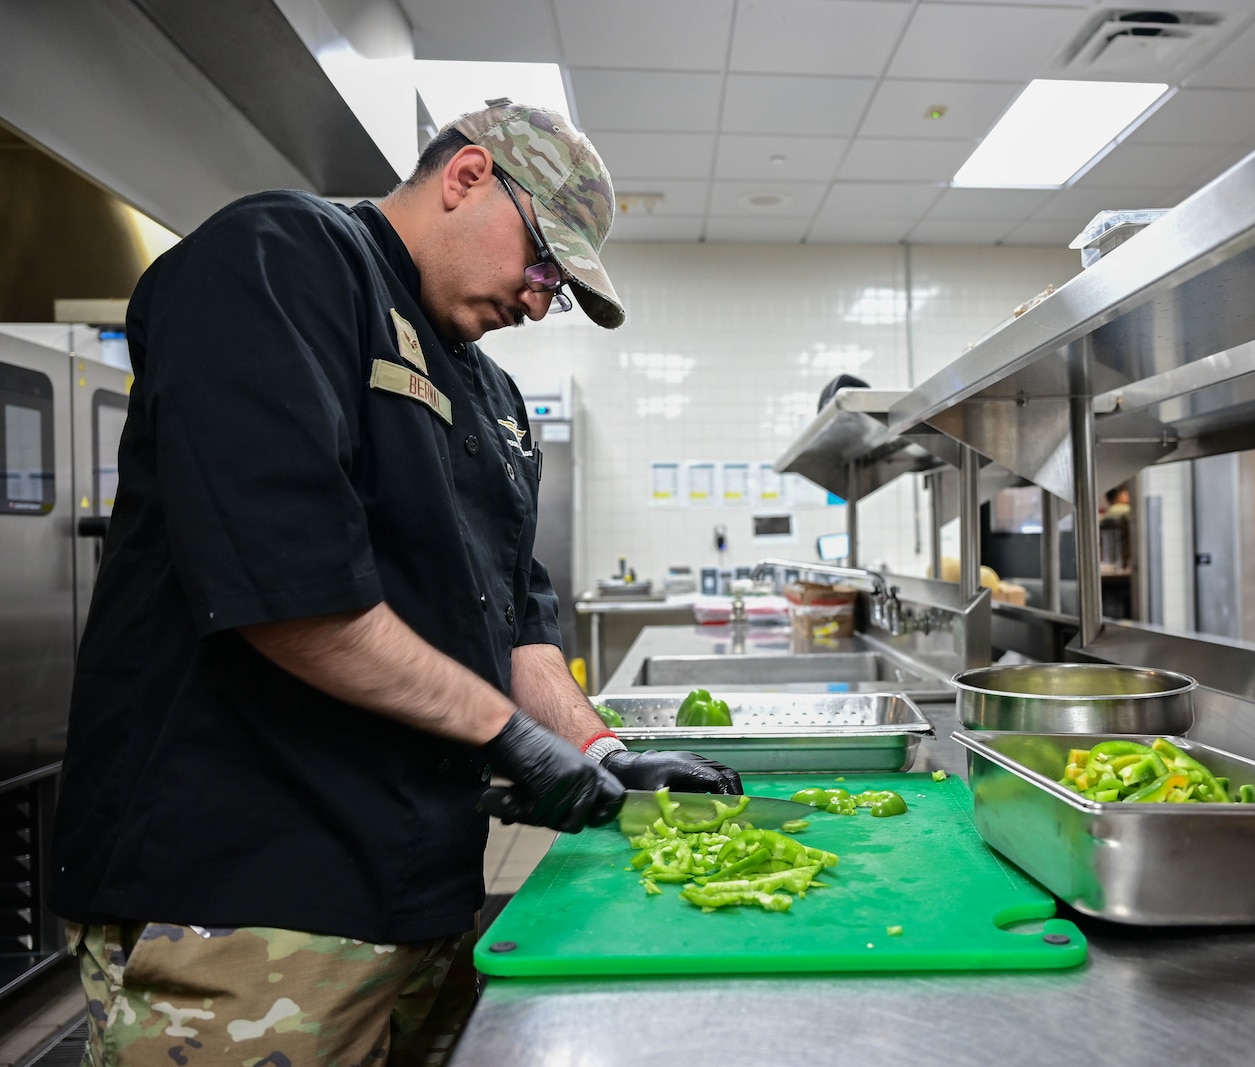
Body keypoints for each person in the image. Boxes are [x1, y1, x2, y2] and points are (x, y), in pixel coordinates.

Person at [49, 100, 740, 1065]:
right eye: (543, 265)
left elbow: (518, 623)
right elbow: (292, 595)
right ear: (465, 177)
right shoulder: (283, 260)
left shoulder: (492, 395)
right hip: (246, 900)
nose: (540, 301)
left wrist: (601, 747)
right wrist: (511, 736)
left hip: (418, 889)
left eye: (560, 289)